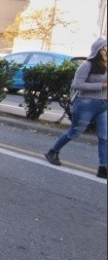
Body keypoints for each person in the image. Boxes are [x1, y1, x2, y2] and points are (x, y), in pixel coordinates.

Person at [45, 38, 107, 178]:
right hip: (86, 103)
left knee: (104, 137)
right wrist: (101, 86)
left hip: (103, 105)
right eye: (105, 49)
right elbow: (76, 85)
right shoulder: (87, 65)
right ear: (99, 50)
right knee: (75, 132)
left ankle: (103, 167)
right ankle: (53, 151)